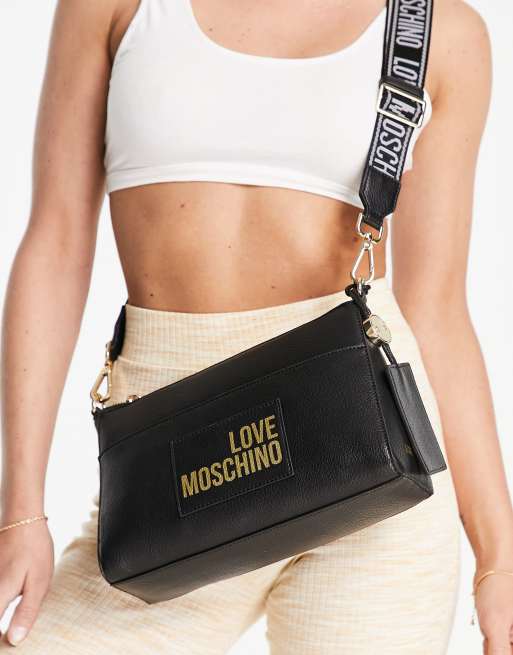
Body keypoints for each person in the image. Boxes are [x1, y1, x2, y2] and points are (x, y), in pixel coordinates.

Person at [1, 0, 512, 653]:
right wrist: (20, 510)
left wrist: (498, 559)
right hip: (178, 477)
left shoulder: (436, 32)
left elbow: (435, 308)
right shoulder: (116, 8)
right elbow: (55, 244)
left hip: (372, 472)